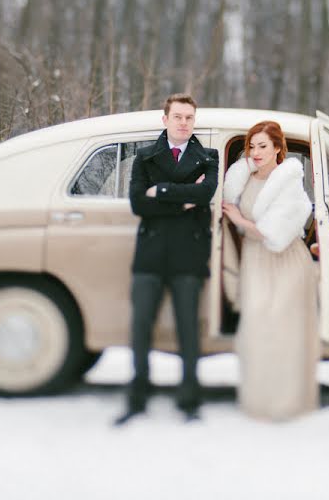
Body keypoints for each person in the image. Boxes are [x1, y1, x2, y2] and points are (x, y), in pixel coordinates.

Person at [116, 93, 219, 425]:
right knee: (141, 325)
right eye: (178, 116)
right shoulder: (145, 157)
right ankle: (137, 397)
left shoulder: (209, 157)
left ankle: (189, 400)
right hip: (151, 253)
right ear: (165, 120)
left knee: (188, 328)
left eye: (189, 117)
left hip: (189, 253)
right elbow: (136, 203)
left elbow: (205, 194)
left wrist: (158, 191)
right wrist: (182, 199)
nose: (184, 122)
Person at [221, 120, 319, 421]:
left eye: (263, 145)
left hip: (285, 262)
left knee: (282, 329)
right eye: (252, 146)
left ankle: (286, 403)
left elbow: (273, 232)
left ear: (278, 148)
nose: (256, 151)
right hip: (255, 260)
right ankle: (258, 401)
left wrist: (239, 220)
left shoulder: (288, 180)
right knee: (256, 326)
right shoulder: (246, 178)